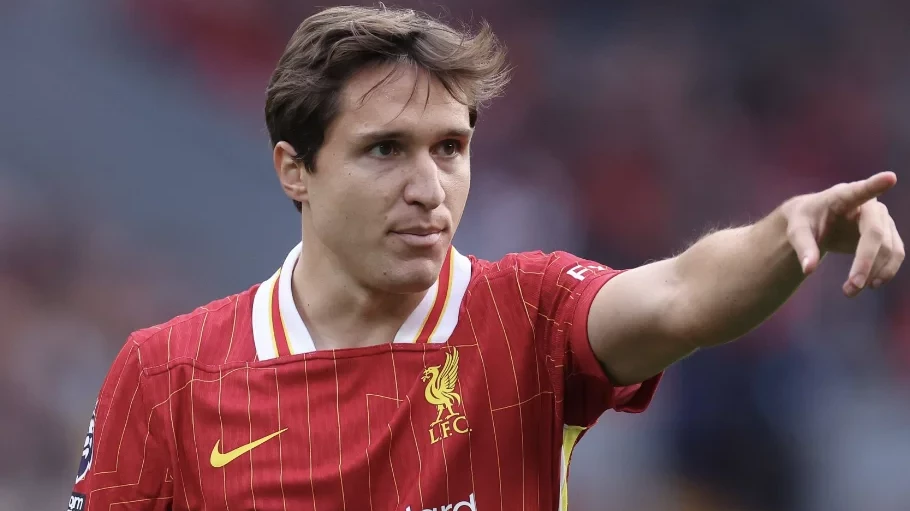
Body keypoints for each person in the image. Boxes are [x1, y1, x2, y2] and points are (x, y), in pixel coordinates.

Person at [67, 5, 904, 511]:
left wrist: (785, 231)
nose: (428, 187)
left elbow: (682, 294)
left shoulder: (526, 316)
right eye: (385, 149)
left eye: (450, 149)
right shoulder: (166, 375)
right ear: (296, 169)